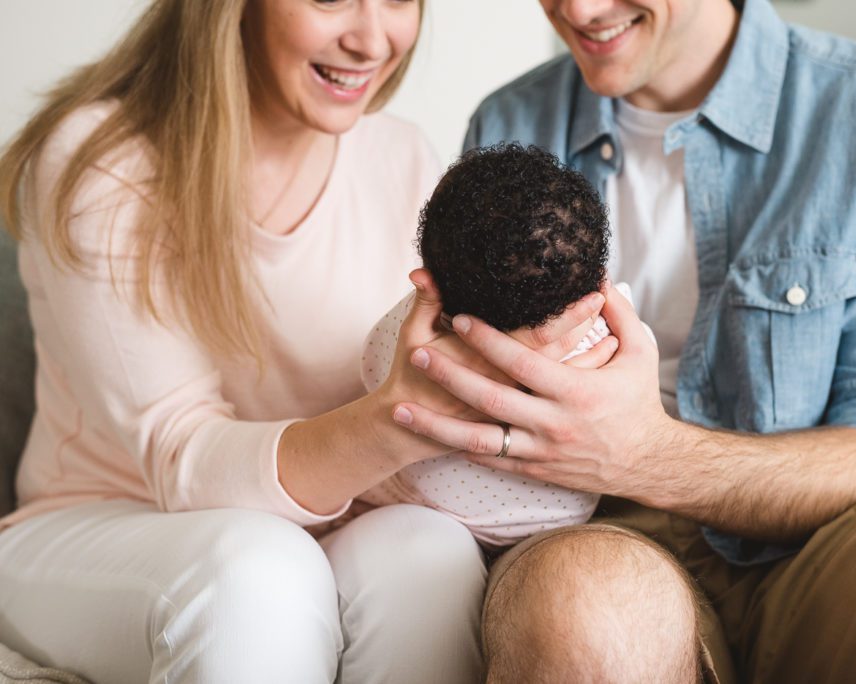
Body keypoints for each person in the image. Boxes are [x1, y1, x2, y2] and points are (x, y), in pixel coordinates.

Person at [387, 0, 856, 681]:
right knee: (584, 610)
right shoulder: (510, 124)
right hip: (595, 535)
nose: (579, 10)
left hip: (832, 543)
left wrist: (643, 455)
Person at [0, 1, 612, 682]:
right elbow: (181, 459)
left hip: (329, 521)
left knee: (428, 551)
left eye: (399, 0)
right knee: (258, 568)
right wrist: (402, 422)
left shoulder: (399, 153)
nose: (370, 39)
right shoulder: (106, 160)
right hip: (99, 526)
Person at [360, 142, 635, 547]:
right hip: (554, 526)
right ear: (595, 279)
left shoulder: (411, 338)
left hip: (425, 508)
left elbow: (370, 368)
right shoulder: (606, 336)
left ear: (429, 274)